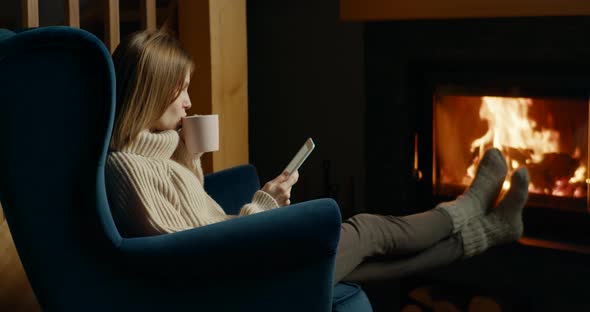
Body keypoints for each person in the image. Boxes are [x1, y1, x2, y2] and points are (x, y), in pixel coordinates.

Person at [105, 30, 529, 284]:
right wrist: (265, 205)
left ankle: (491, 230)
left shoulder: (158, 155)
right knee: (369, 231)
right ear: (150, 89)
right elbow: (197, 256)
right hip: (245, 278)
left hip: (249, 262)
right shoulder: (127, 168)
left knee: (375, 261)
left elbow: (203, 227)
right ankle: (469, 207)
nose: (189, 101)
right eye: (181, 88)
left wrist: (197, 160)